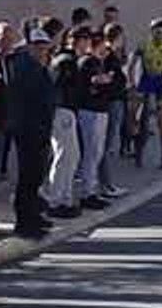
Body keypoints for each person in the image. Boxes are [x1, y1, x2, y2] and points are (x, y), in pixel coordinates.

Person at [7, 28, 56, 239]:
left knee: (36, 177)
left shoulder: (38, 66)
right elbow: (23, 100)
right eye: (37, 46)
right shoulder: (23, 66)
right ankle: (24, 222)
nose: (41, 50)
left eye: (44, 46)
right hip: (28, 129)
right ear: (29, 46)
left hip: (41, 128)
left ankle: (33, 216)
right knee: (27, 178)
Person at [43, 26, 89, 219]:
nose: (87, 43)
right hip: (62, 111)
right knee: (65, 156)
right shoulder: (66, 61)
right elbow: (57, 87)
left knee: (72, 156)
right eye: (85, 39)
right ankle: (55, 200)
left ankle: (65, 198)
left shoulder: (67, 60)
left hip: (67, 111)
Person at [130, 17, 162, 170]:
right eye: (157, 32)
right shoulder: (143, 44)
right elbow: (132, 64)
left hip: (160, 83)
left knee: (161, 122)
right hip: (145, 81)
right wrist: (132, 83)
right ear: (152, 32)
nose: (160, 35)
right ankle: (135, 145)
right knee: (135, 115)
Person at [76, 29, 113, 210]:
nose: (106, 48)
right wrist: (104, 79)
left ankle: (91, 190)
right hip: (90, 110)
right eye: (103, 45)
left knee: (96, 152)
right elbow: (94, 81)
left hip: (99, 110)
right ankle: (87, 192)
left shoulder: (97, 61)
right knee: (91, 152)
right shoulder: (88, 61)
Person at [97, 23, 128, 200]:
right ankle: (105, 184)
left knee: (105, 146)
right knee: (105, 146)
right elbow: (109, 78)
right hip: (111, 102)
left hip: (114, 100)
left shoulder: (110, 54)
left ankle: (105, 183)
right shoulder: (108, 54)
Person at [0, 19, 19, 186]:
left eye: (10, 38)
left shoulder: (10, 60)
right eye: (3, 38)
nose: (8, 42)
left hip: (5, 120)